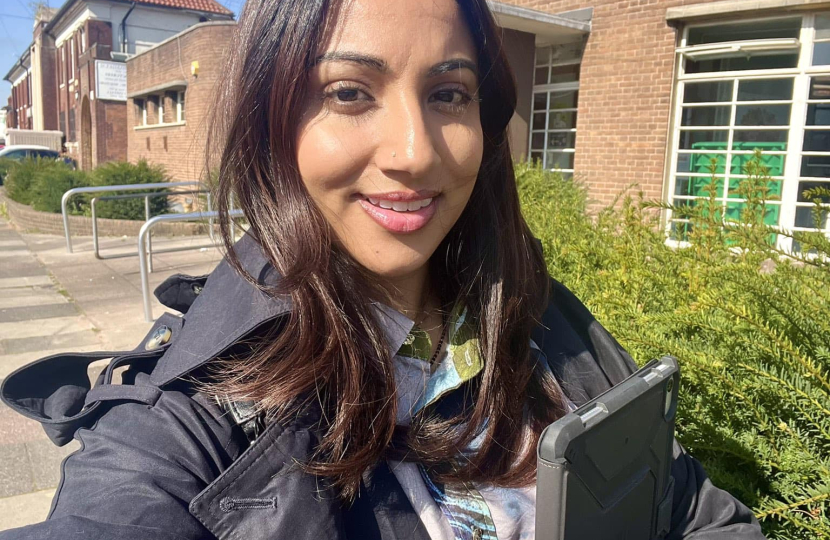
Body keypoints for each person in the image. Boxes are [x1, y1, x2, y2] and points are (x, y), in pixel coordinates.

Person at [0, 0, 767, 539]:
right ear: (276, 121)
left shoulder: (539, 316)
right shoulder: (200, 418)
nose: (415, 151)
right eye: (348, 92)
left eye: (447, 93)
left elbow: (695, 515)